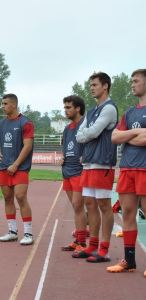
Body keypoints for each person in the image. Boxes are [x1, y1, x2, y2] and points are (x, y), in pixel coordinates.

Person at [73, 72, 118, 262]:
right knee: (90, 204)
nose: (91, 88)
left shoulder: (109, 108)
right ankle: (92, 245)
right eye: (90, 85)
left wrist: (87, 134)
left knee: (103, 205)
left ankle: (105, 250)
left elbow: (93, 131)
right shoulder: (91, 111)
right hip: (89, 163)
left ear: (105, 86)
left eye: (94, 85)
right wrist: (87, 134)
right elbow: (80, 134)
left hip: (102, 162)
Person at [107, 69, 146, 277]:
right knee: (128, 214)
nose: (132, 84)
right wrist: (136, 133)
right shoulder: (129, 112)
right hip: (128, 168)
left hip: (145, 168)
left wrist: (126, 136)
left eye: (136, 81)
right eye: (132, 81)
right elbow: (114, 137)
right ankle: (129, 261)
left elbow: (144, 140)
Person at [0, 93, 35, 245]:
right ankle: (12, 232)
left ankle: (28, 233)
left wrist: (16, 164)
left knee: (21, 197)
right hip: (4, 167)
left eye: (5, 104)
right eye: (2, 104)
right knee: (7, 198)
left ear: (14, 104)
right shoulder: (1, 124)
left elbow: (27, 146)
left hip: (20, 167)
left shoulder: (25, 122)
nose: (2, 106)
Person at [59, 95, 88, 252]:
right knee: (75, 207)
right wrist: (63, 157)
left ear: (78, 108)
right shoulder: (66, 128)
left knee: (78, 205)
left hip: (80, 171)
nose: (66, 110)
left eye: (68, 107)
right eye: (65, 107)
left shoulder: (86, 124)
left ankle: (82, 243)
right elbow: (66, 146)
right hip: (67, 171)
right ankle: (79, 240)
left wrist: (87, 156)